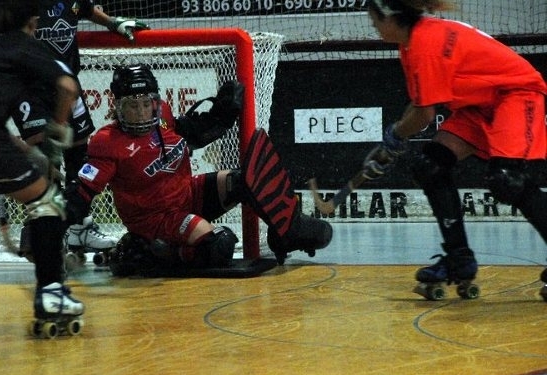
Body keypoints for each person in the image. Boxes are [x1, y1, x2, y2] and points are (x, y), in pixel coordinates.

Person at [65, 64, 333, 277]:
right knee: (220, 245)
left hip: (188, 194)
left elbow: (193, 133)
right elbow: (82, 192)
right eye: (133, 106)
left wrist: (221, 115)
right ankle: (152, 253)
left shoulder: (164, 115)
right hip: (158, 219)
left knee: (246, 180)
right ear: (118, 106)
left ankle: (290, 231)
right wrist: (52, 226)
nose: (142, 112)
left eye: (147, 103)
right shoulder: (108, 142)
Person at [362, 0, 547, 300]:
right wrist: (391, 144)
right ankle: (459, 260)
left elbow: (424, 115)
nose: (373, 25)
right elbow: (419, 104)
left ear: (392, 17)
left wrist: (395, 136)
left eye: (375, 19)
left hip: (513, 94)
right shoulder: (411, 44)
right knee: (429, 166)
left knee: (507, 180)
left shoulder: (424, 44)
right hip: (478, 104)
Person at [0, 0, 84, 336]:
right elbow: (68, 86)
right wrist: (58, 130)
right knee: (48, 202)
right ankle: (52, 293)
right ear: (32, 22)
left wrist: (25, 151)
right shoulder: (21, 44)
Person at [0, 1, 149, 258]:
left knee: (80, 155)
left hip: (66, 84)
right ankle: (47, 234)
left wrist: (112, 22)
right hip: (29, 90)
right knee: (46, 159)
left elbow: (87, 9)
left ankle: (80, 227)